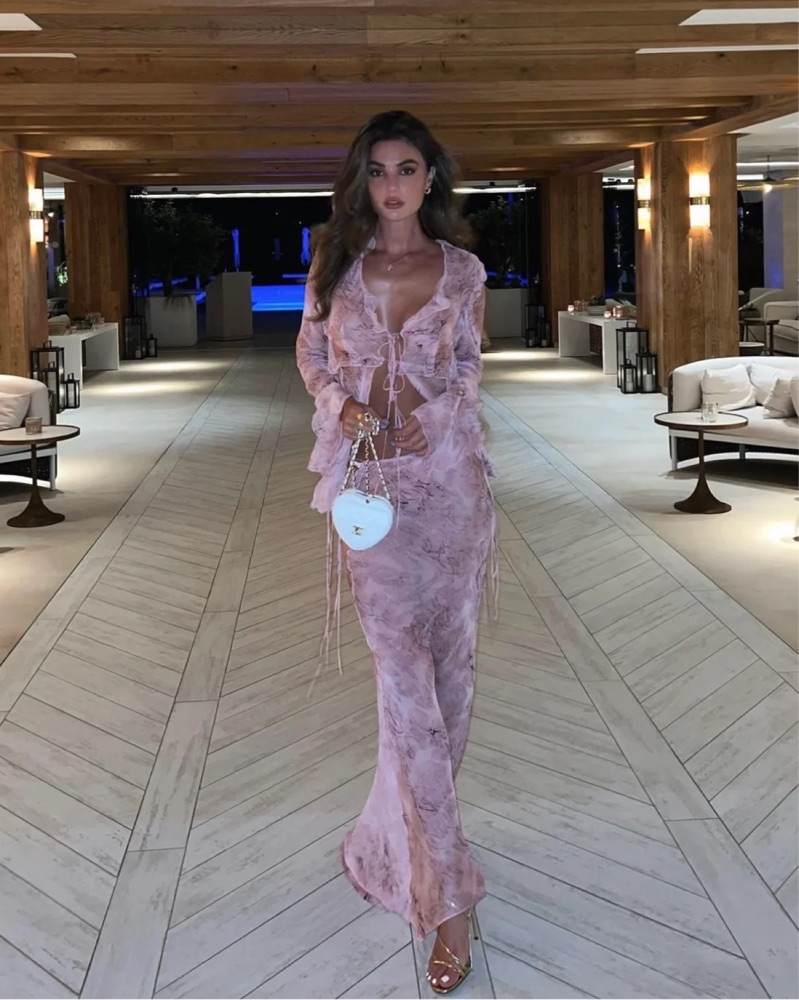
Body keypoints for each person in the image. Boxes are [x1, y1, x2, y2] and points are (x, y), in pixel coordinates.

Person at [295, 109, 496, 995]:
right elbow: (312, 357)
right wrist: (341, 406)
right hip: (369, 497)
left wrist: (437, 413)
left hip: (452, 497)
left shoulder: (461, 271)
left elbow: (468, 368)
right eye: (376, 170)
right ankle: (448, 898)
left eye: (406, 169)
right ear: (361, 180)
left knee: (449, 690)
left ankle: (396, 842)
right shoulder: (334, 267)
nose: (391, 186)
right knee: (405, 693)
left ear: (429, 178)